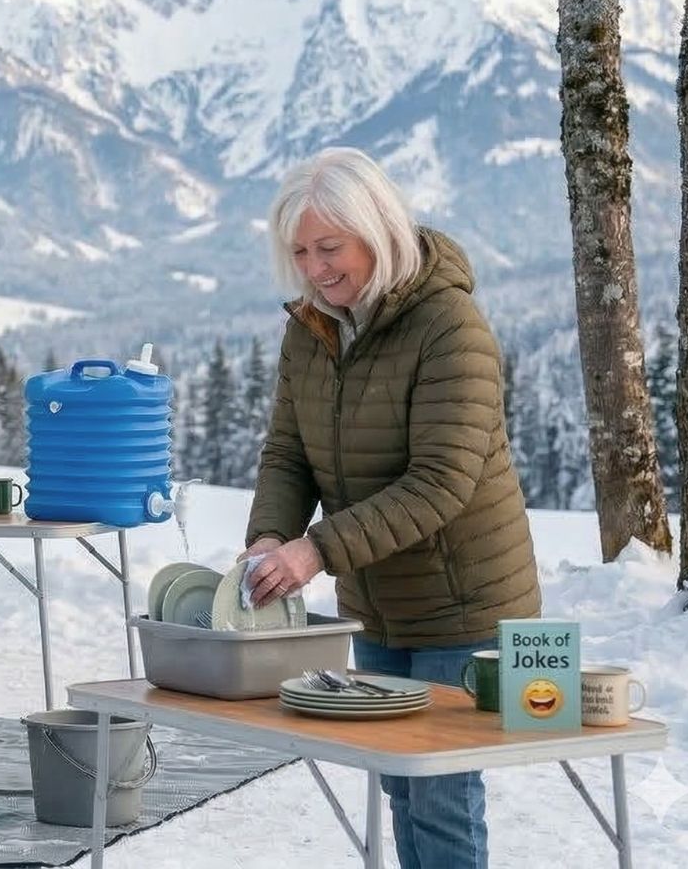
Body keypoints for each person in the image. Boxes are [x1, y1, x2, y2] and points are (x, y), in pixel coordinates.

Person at [241, 147, 541, 869]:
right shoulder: (311, 328)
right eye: (302, 252)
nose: (316, 268)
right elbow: (289, 452)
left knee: (438, 800)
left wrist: (315, 550)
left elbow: (442, 480)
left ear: (376, 229)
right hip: (378, 603)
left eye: (330, 247)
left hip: (462, 607)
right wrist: (270, 536)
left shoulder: (450, 326)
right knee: (401, 789)